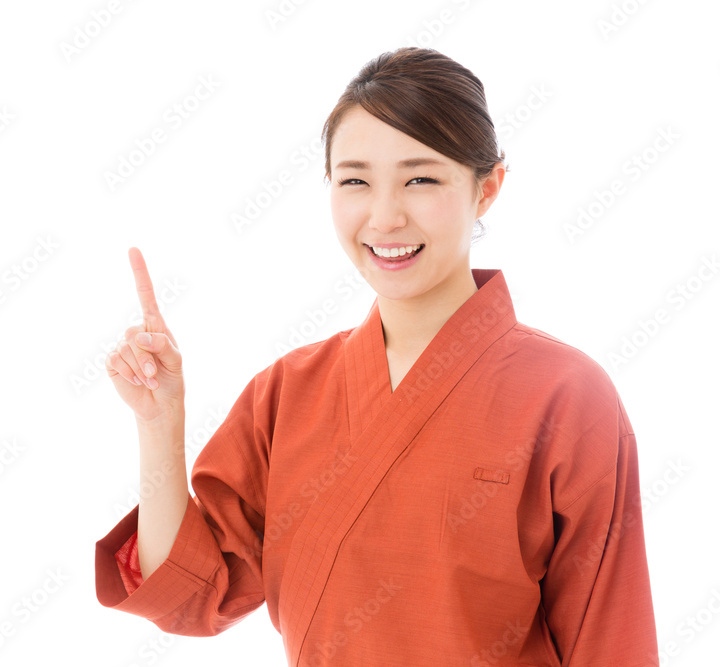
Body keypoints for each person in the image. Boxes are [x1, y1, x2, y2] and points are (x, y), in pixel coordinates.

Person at [95, 46, 659, 666]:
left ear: (487, 187)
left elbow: (611, 637)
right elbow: (190, 595)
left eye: (420, 179)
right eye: (356, 180)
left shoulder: (568, 396)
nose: (385, 217)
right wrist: (158, 423)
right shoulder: (287, 391)